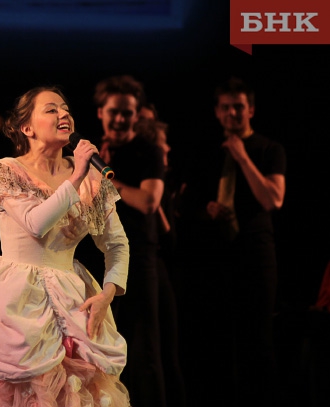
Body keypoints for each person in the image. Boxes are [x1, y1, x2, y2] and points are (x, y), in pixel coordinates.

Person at [0, 86, 131, 406]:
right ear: (26, 128)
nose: (63, 114)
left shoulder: (91, 179)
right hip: (20, 301)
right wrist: (77, 175)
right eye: (51, 109)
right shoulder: (6, 171)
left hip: (72, 299)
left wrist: (107, 294)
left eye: (66, 108)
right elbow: (36, 224)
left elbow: (117, 244)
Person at [176, 76, 286, 407]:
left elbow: (273, 199)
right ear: (217, 112)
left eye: (238, 107)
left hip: (255, 254)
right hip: (215, 257)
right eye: (225, 107)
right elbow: (184, 203)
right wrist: (205, 209)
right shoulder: (206, 151)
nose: (232, 113)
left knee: (258, 339)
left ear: (250, 110)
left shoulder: (269, 149)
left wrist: (242, 158)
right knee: (217, 340)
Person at [92, 75, 166, 407]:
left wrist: (106, 179)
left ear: (137, 115)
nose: (120, 119)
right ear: (100, 112)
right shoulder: (91, 152)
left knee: (144, 348)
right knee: (99, 347)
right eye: (114, 111)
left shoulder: (148, 151)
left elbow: (148, 201)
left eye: (127, 112)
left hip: (139, 259)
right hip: (97, 260)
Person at [136, 117, 187, 407]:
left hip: (163, 269)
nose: (167, 150)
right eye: (162, 145)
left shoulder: (161, 187)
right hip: (153, 265)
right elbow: (168, 239)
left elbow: (171, 241)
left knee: (166, 350)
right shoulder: (150, 185)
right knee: (156, 349)